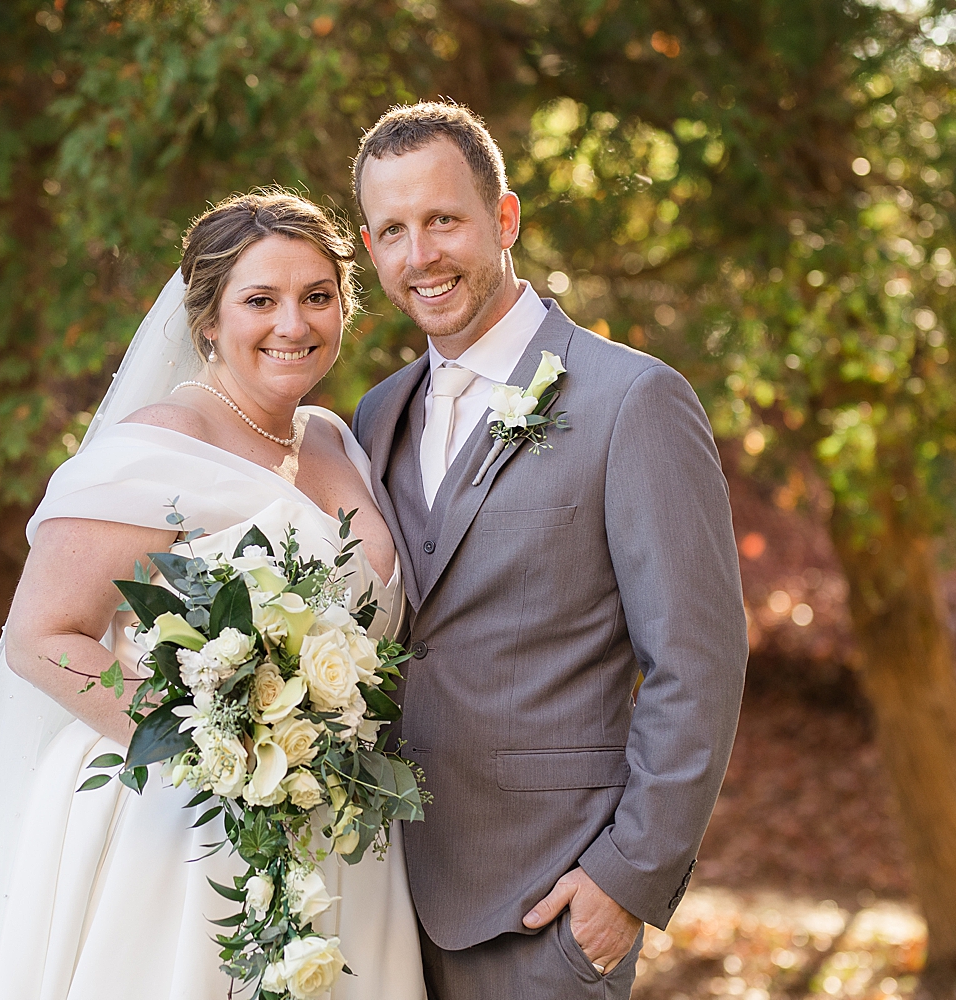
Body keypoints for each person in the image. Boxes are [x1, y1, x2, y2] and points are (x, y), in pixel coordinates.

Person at [0, 190, 427, 1000]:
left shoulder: (337, 437)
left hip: (338, 823)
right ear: (206, 320)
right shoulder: (156, 448)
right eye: (259, 300)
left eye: (317, 297)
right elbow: (43, 637)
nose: (293, 324)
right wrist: (219, 755)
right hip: (190, 831)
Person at [350, 102, 748, 1000]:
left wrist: (627, 881)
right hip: (379, 908)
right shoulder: (374, 417)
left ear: (505, 219)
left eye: (443, 219)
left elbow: (697, 660)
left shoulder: (632, 400)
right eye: (392, 231)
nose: (421, 256)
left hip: (547, 909)